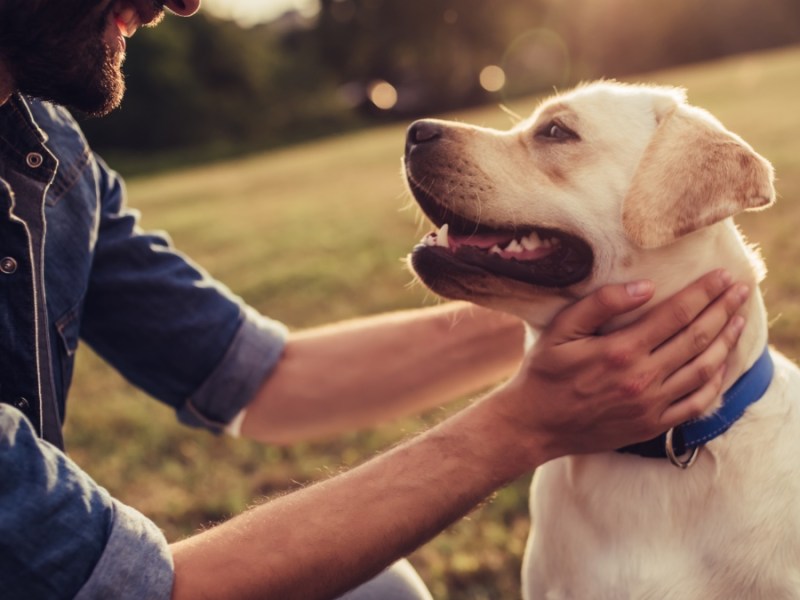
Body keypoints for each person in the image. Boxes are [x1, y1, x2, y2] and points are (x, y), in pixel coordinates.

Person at [0, 1, 750, 599]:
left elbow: (266, 377)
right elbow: (129, 590)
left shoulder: (51, 155)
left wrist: (607, 301)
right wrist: (521, 426)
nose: (186, 2)